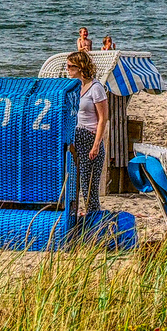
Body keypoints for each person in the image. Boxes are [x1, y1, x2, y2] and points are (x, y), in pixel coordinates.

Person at [67, 50, 108, 217]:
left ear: (80, 67)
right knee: (73, 185)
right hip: (75, 138)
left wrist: (96, 145)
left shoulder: (96, 88)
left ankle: (94, 222)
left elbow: (103, 119)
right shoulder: (74, 87)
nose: (67, 69)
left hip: (90, 138)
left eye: (70, 66)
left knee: (88, 187)